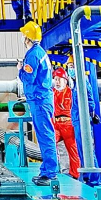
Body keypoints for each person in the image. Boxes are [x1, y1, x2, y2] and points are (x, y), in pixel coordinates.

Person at [18, 21, 59, 186]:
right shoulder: (40, 52)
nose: (23, 38)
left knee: (45, 136)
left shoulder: (33, 55)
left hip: (40, 100)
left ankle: (50, 174)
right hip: (41, 99)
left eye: (24, 35)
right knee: (44, 135)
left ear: (28, 38)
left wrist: (20, 69)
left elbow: (28, 78)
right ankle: (47, 171)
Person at [67, 55, 100, 176]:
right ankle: (87, 176)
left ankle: (93, 179)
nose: (70, 69)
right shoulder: (75, 84)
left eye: (72, 66)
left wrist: (90, 114)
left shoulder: (83, 81)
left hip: (83, 120)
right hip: (77, 120)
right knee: (81, 149)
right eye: (69, 67)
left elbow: (90, 99)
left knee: (88, 150)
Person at [52, 66, 80, 179]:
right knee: (50, 144)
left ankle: (75, 175)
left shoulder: (71, 92)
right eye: (55, 79)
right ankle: (52, 172)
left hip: (69, 124)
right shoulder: (52, 92)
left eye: (59, 79)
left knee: (73, 150)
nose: (57, 82)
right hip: (56, 124)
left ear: (65, 80)